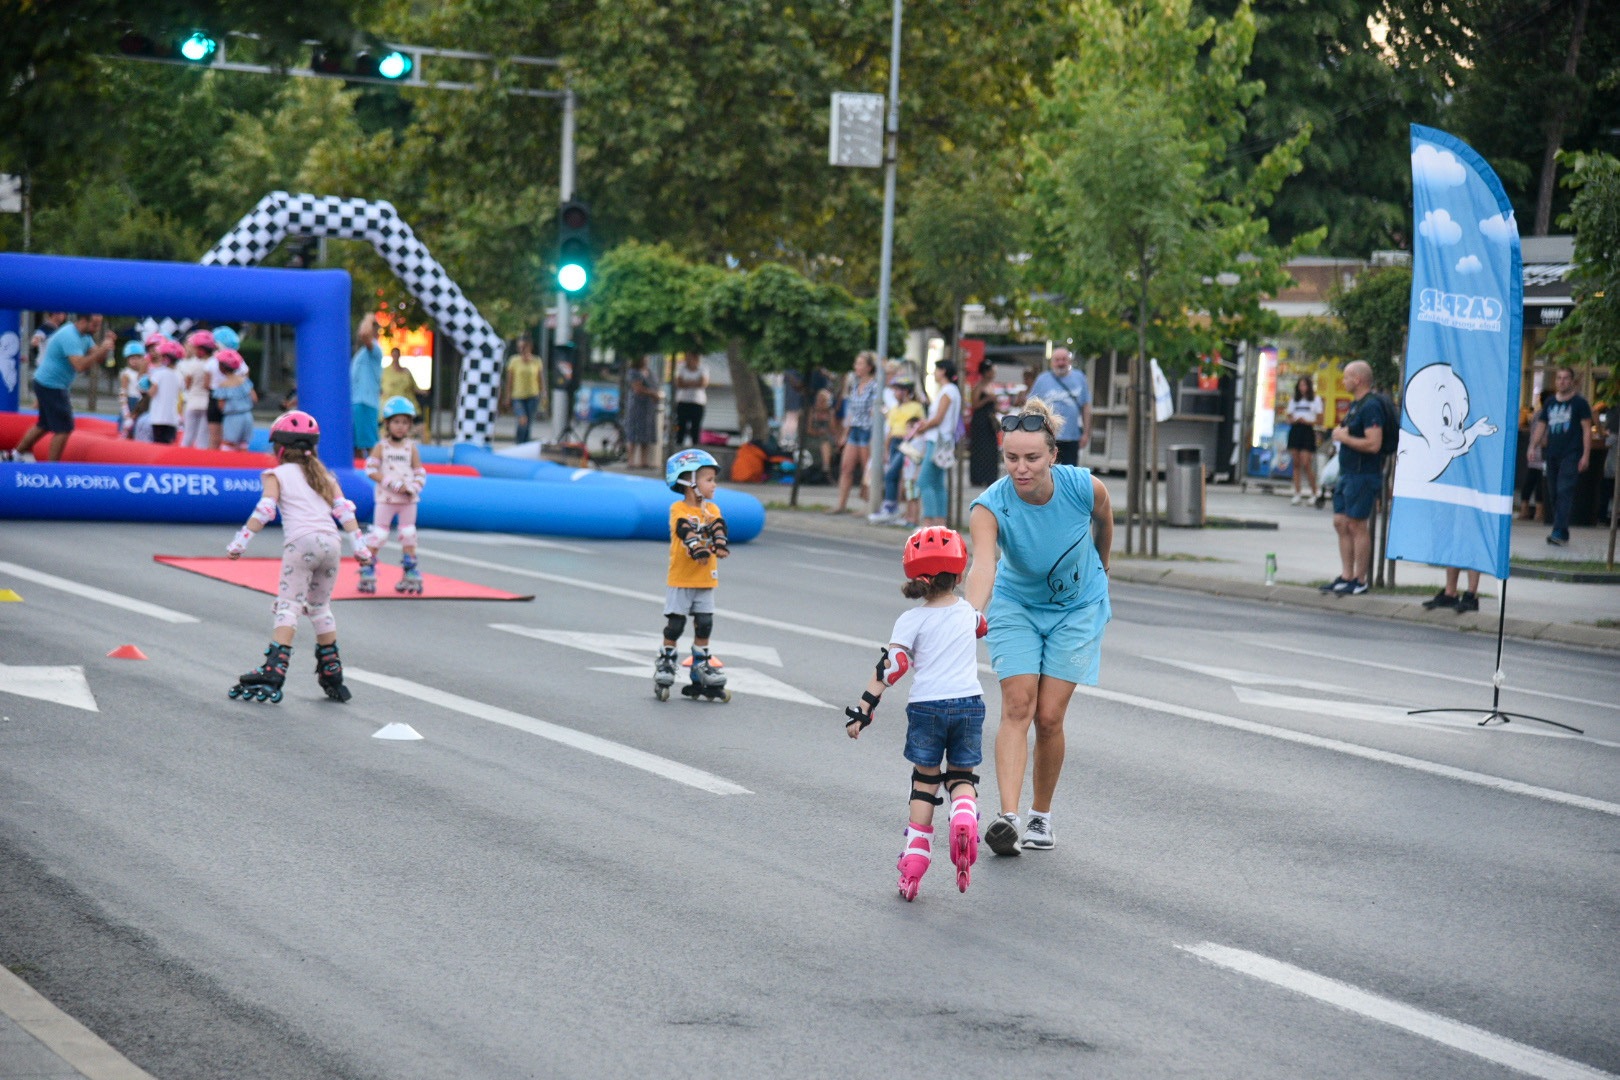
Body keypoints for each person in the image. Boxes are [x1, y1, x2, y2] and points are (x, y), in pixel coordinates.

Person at [964, 397, 1112, 856]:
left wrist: (1103, 571)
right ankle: (1008, 818)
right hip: (1018, 607)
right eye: (1011, 458)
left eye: (1031, 458)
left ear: (1053, 455)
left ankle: (1040, 817)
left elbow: (1104, 523)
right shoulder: (989, 506)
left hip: (1077, 608)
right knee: (1017, 706)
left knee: (1049, 717)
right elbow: (984, 566)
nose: (1020, 468)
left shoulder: (1084, 488)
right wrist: (969, 615)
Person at [844, 526, 989, 900]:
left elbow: (891, 668)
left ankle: (913, 863)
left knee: (924, 783)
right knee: (961, 775)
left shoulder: (910, 620)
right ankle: (963, 815)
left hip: (926, 708)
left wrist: (864, 710)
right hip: (969, 704)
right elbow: (982, 627)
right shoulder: (967, 613)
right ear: (958, 575)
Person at [225, 411, 374, 704]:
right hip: (331, 545)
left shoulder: (276, 474)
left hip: (301, 544)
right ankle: (332, 672)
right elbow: (344, 510)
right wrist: (361, 546)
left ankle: (274, 669)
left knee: (289, 605)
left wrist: (239, 542)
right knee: (319, 608)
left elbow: (265, 510)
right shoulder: (324, 475)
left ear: (279, 449)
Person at [653, 449, 731, 703]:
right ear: (689, 483)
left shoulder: (712, 509)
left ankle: (701, 669)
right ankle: (666, 662)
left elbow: (718, 526)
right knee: (675, 625)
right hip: (681, 579)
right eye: (709, 479)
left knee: (705, 623)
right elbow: (684, 529)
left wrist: (719, 543)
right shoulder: (679, 509)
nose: (714, 485)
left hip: (706, 579)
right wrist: (696, 546)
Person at [1320, 360, 1386, 595]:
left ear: (1357, 379)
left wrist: (1344, 438)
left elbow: (1374, 443)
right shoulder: (1356, 405)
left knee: (1357, 525)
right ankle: (1346, 576)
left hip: (1362, 475)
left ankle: (1360, 579)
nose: (1343, 381)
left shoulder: (1371, 407)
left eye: (1346, 377)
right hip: (1346, 473)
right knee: (1341, 522)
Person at [10, 314, 115, 462]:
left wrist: (106, 347)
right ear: (83, 321)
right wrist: (101, 350)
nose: (97, 329)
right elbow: (80, 366)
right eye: (95, 325)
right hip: (51, 384)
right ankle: (53, 467)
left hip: (50, 383)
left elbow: (98, 358)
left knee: (44, 424)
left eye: (99, 325)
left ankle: (15, 455)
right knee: (64, 428)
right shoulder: (69, 336)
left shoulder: (85, 336)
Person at [360, 396, 428, 596]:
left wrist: (416, 486)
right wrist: (393, 483)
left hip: (408, 500)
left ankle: (410, 570)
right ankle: (368, 567)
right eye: (396, 422)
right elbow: (370, 469)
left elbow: (419, 470)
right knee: (379, 534)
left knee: (408, 534)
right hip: (386, 499)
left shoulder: (411, 447)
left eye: (405, 423)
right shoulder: (382, 447)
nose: (401, 427)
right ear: (388, 424)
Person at [1529, 366, 1592, 546]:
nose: (1562, 381)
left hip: (1571, 453)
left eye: (1565, 378)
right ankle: (1562, 531)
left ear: (1572, 381)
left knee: (1564, 490)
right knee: (1554, 492)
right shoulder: (1549, 403)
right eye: (1559, 378)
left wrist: (1585, 455)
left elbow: (1587, 430)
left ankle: (1557, 530)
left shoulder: (1580, 404)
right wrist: (1532, 446)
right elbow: (1541, 426)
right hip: (1552, 454)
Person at [913, 360, 963, 527]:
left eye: (936, 370)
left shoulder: (948, 391)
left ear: (943, 371)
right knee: (937, 482)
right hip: (944, 441)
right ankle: (940, 523)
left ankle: (929, 521)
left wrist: (923, 427)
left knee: (924, 481)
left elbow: (938, 418)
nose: (934, 373)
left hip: (937, 441)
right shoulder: (951, 390)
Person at [832, 351, 880, 514]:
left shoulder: (875, 385)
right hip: (855, 429)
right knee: (846, 467)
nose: (856, 367)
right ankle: (841, 504)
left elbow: (875, 410)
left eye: (860, 364)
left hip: (868, 430)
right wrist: (845, 433)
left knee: (867, 469)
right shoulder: (854, 384)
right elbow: (851, 411)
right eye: (856, 363)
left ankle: (868, 505)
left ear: (869, 367)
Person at [1026, 348, 1092, 466]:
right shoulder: (1042, 379)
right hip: (1048, 436)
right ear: (1052, 363)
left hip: (1072, 437)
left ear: (1070, 362)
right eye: (1057, 360)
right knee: (1048, 470)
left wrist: (1086, 433)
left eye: (1064, 359)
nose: (1061, 363)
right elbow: (1031, 407)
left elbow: (1086, 407)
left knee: (1070, 472)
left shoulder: (1079, 378)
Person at [872, 379, 924, 523]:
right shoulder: (895, 408)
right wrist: (886, 449)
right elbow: (891, 430)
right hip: (894, 442)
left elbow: (917, 426)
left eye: (897, 390)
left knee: (892, 474)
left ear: (906, 391)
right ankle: (900, 510)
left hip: (906, 443)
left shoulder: (916, 407)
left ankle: (891, 506)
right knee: (895, 476)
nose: (895, 393)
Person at [1285, 375, 1325, 505]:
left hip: (1308, 431)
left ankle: (1314, 491)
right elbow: (1288, 416)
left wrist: (1307, 421)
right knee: (1296, 463)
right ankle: (1297, 492)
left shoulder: (1315, 400)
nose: (1303, 388)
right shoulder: (1294, 400)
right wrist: (1294, 420)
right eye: (1301, 385)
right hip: (1296, 430)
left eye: (1305, 385)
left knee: (1306, 462)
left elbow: (1320, 419)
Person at [349, 315, 383, 458]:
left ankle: (377, 476)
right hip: (356, 403)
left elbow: (364, 334)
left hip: (365, 403)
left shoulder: (375, 350)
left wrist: (369, 317)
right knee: (355, 446)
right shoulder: (360, 354)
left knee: (370, 446)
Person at [178, 329, 217, 448]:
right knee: (203, 438)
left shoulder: (193, 364)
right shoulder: (215, 363)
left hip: (192, 402)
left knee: (188, 436)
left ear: (200, 350)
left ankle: (181, 460)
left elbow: (187, 385)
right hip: (207, 403)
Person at [213, 349, 258, 451]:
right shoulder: (245, 381)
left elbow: (221, 405)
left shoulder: (223, 385)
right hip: (247, 416)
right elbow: (254, 399)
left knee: (228, 444)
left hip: (232, 417)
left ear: (222, 367)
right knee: (243, 445)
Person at [622, 354, 662, 468]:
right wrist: (653, 393)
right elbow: (637, 388)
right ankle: (631, 461)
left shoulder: (649, 372)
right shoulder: (633, 372)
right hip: (637, 406)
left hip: (648, 407)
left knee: (646, 433)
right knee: (634, 433)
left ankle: (643, 461)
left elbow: (655, 384)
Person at [501, 339, 543, 445]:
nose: (521, 349)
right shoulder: (514, 360)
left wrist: (543, 392)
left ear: (529, 347)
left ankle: (525, 444)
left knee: (528, 423)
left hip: (533, 395)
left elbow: (540, 378)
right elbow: (509, 380)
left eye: (523, 347)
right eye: (519, 347)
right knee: (522, 420)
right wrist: (507, 396)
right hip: (518, 396)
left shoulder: (536, 360)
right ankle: (519, 442)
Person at [205, 326, 241, 449]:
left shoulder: (211, 361)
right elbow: (245, 378)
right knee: (231, 437)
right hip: (234, 399)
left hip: (215, 397)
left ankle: (211, 463)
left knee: (214, 437)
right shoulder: (239, 361)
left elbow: (206, 384)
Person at [144, 338, 185, 445]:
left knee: (158, 443)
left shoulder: (158, 374)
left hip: (158, 417)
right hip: (173, 418)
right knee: (168, 443)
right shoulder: (179, 375)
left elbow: (152, 393)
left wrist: (146, 386)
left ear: (165, 358)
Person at [1520, 389, 1553, 521]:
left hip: (1533, 452)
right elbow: (1545, 436)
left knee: (1529, 481)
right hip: (1542, 453)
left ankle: (1524, 509)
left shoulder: (1537, 413)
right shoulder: (1548, 414)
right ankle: (1539, 512)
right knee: (1540, 483)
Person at [968, 363, 1001, 487]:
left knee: (990, 449)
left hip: (990, 421)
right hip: (981, 421)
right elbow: (975, 404)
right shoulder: (979, 386)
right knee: (980, 449)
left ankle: (989, 476)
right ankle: (978, 477)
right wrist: (987, 399)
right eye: (991, 371)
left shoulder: (991, 385)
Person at [672, 353, 709, 447]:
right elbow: (679, 383)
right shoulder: (681, 368)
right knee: (681, 425)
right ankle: (679, 444)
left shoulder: (703, 368)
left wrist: (687, 383)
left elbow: (703, 383)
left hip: (697, 402)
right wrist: (693, 383)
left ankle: (695, 445)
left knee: (695, 426)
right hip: (683, 401)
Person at [803, 388, 838, 482]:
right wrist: (819, 432)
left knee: (825, 441)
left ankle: (825, 470)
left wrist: (829, 416)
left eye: (824, 401)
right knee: (825, 441)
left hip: (826, 439)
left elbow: (833, 430)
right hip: (812, 439)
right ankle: (826, 470)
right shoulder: (812, 411)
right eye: (820, 400)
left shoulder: (830, 412)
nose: (821, 403)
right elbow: (808, 429)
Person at [117, 341, 148, 438]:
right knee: (127, 427)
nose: (135, 361)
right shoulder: (126, 374)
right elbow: (123, 393)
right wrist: (125, 412)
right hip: (131, 402)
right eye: (132, 358)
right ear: (127, 360)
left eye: (138, 358)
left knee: (138, 429)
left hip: (142, 403)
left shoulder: (146, 373)